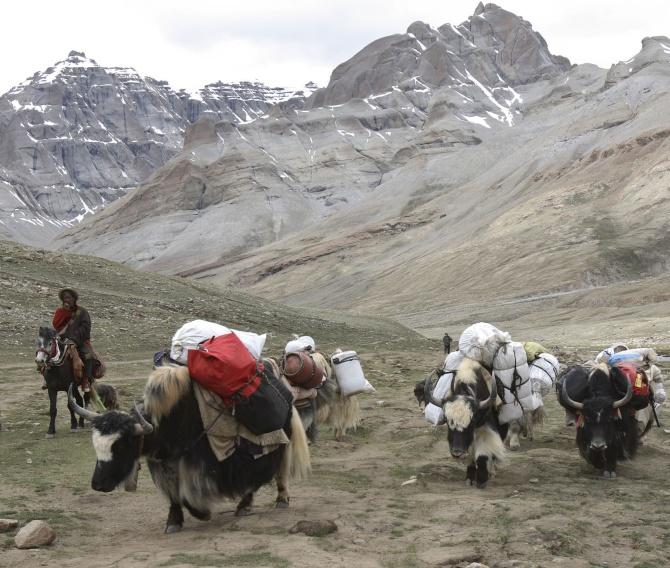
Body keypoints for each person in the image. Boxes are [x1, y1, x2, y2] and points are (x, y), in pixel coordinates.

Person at [54, 288, 93, 392]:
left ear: (74, 299)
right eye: (64, 298)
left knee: (89, 356)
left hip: (80, 341)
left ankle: (86, 380)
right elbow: (56, 324)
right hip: (63, 340)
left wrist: (74, 339)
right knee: (49, 352)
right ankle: (48, 379)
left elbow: (85, 328)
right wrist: (64, 312)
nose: (67, 300)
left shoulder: (82, 312)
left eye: (69, 297)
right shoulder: (61, 311)